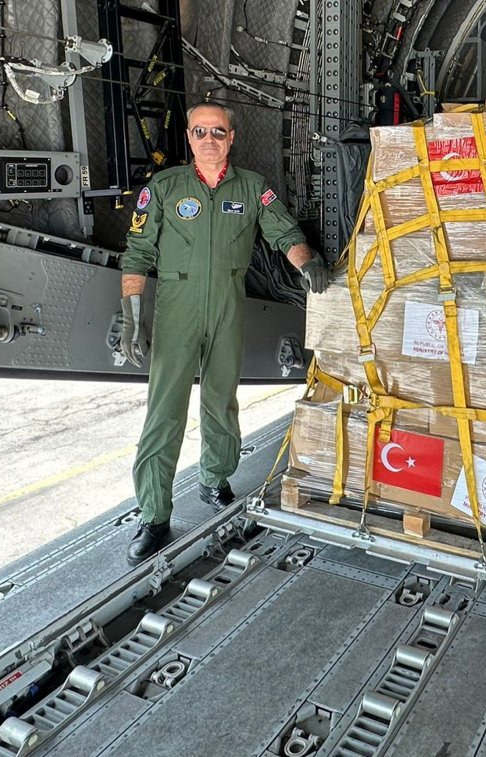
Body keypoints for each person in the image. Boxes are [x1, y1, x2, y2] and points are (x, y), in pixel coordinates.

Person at [116, 101, 327, 562]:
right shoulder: (166, 187)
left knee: (220, 398)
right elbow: (137, 252)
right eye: (199, 132)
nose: (208, 140)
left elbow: (282, 232)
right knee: (164, 410)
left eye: (217, 132)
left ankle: (215, 482)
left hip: (229, 303)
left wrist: (306, 262)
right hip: (177, 305)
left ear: (231, 137)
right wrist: (133, 316)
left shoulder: (252, 187)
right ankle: (153, 515)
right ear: (188, 138)